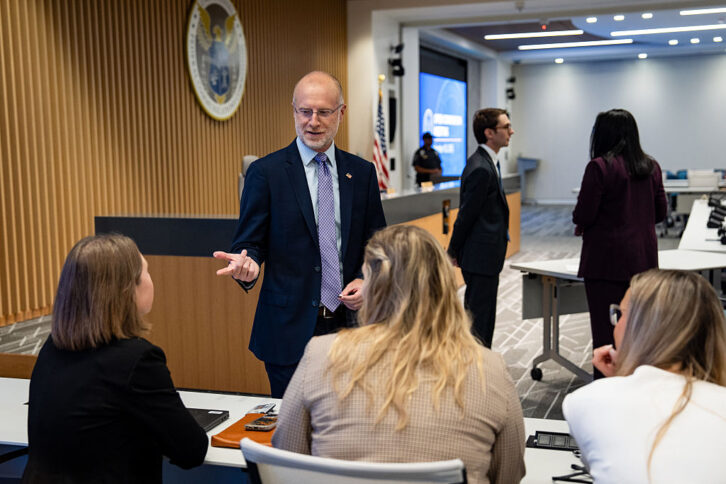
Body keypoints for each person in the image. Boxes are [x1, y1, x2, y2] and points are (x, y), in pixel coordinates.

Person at [272, 225, 526, 484]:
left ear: (374, 288)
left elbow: (286, 460)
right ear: (445, 287)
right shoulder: (490, 370)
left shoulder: (321, 355)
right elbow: (509, 476)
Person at [214, 71, 386, 398]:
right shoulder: (266, 173)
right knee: (293, 430)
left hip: (350, 325)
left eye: (323, 112)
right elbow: (248, 243)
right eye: (304, 111)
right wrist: (247, 266)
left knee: (349, 425)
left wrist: (368, 279)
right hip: (288, 328)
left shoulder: (361, 173)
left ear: (341, 113)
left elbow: (377, 244)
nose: (313, 121)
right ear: (294, 111)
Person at [24, 235, 208, 483]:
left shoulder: (52, 347)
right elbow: (192, 451)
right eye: (146, 272)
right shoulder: (137, 360)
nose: (151, 281)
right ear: (127, 289)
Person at [562, 269, 726, 483]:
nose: (616, 323)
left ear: (639, 327)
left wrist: (620, 380)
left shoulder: (584, 402)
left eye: (620, 314)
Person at [573, 108, 666, 378]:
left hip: (605, 264)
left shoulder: (600, 166)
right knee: (641, 333)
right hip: (644, 263)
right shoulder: (651, 166)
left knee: (606, 334)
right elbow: (661, 213)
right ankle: (640, 385)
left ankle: (607, 390)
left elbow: (583, 214)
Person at [447, 108, 512, 348]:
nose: (511, 131)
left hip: (485, 255)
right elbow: (466, 215)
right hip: (480, 256)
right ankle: (477, 370)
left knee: (483, 316)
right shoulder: (481, 168)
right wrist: (452, 251)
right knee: (479, 321)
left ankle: (479, 364)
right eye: (506, 127)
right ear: (489, 132)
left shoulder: (487, 162)